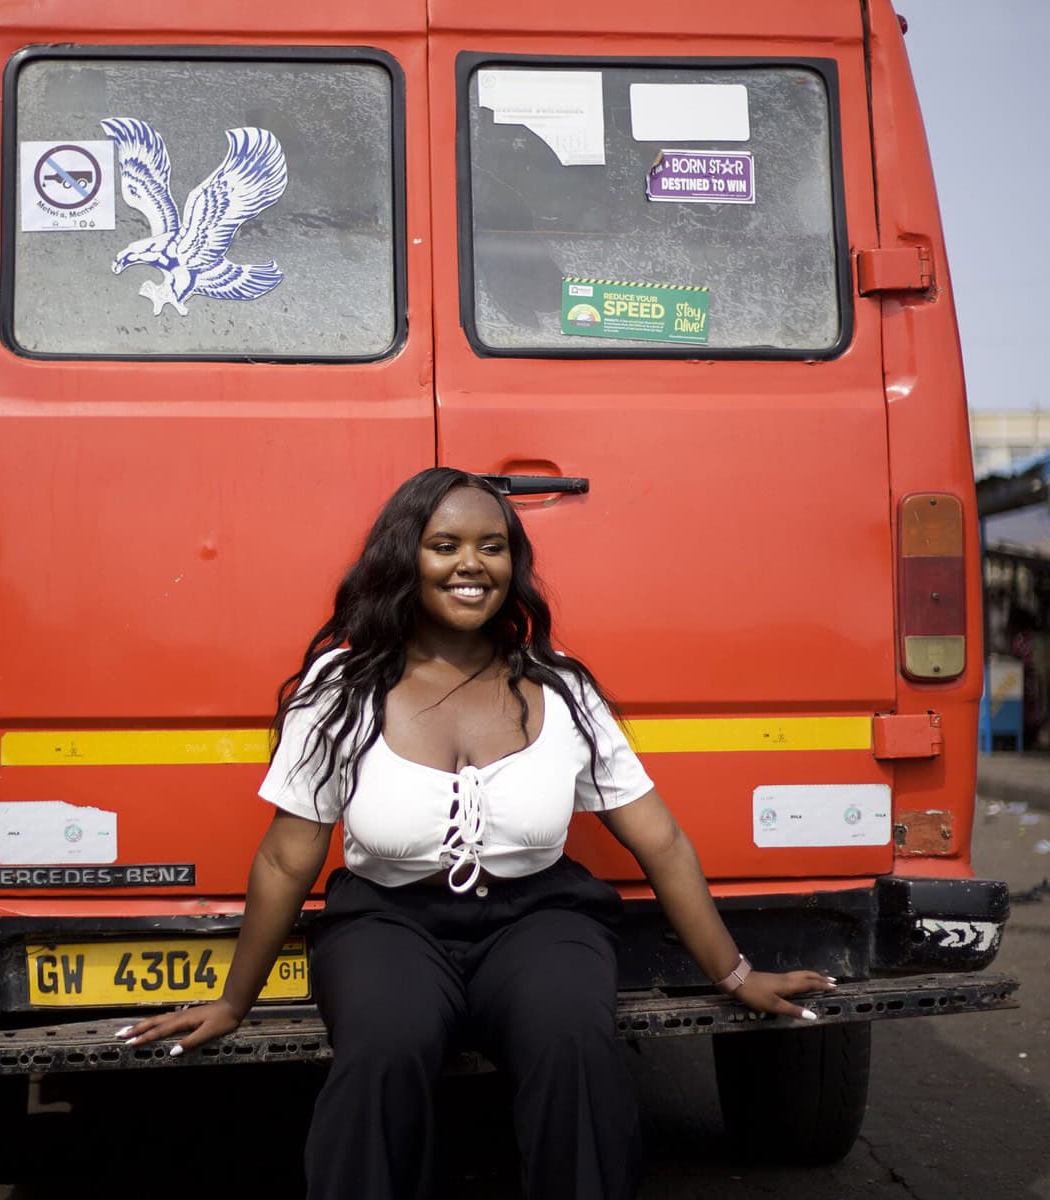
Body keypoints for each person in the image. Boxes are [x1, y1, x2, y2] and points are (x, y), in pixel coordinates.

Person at [117, 467, 836, 1199]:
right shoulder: (342, 688)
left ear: (512, 568)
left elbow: (662, 841)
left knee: (575, 1044)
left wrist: (736, 975)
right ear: (406, 558)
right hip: (388, 921)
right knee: (381, 1051)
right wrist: (236, 1001)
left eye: (492, 547)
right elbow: (284, 858)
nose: (471, 564)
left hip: (539, 919)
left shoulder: (562, 690)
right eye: (446, 545)